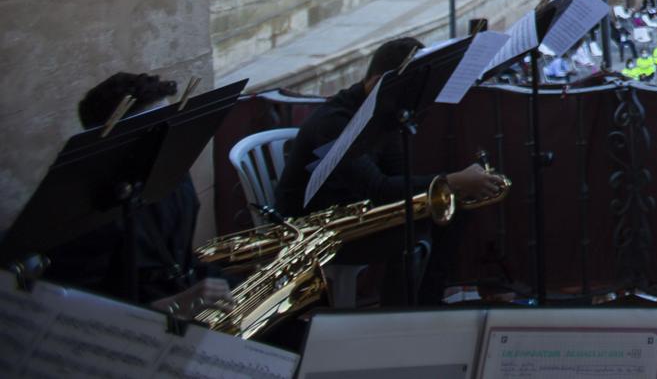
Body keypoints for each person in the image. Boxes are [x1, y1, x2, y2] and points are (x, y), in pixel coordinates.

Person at [275, 38, 507, 305]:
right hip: (318, 229)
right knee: (410, 237)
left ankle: (429, 306)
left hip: (357, 213)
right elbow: (379, 188)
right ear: (377, 83)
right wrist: (451, 181)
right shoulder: (334, 122)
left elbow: (398, 177)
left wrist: (450, 190)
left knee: (451, 213)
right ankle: (398, 317)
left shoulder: (386, 111)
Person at [44, 73, 231, 316]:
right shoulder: (83, 214)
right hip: (143, 322)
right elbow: (78, 314)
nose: (171, 136)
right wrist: (174, 305)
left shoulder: (173, 174)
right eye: (158, 130)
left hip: (186, 291)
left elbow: (180, 258)